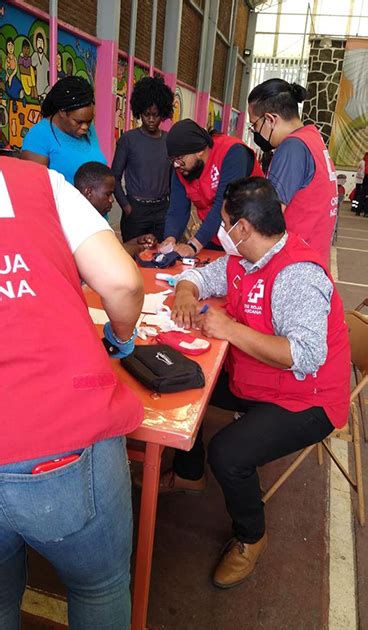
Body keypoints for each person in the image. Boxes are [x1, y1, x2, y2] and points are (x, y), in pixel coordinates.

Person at [155, 177, 350, 589]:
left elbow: (305, 355)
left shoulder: (297, 274)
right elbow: (200, 277)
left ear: (242, 229)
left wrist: (228, 328)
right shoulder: (244, 260)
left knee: (229, 454)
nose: (219, 231)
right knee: (189, 381)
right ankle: (190, 473)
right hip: (258, 378)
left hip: (307, 399)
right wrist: (187, 293)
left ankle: (250, 537)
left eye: (224, 224)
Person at [0, 155, 144, 629]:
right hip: (57, 438)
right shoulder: (34, 183)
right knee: (99, 585)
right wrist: (121, 339)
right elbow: (122, 281)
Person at [248, 78, 338, 266]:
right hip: (313, 257)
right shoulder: (313, 137)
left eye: (255, 125)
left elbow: (269, 214)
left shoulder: (292, 147)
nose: (255, 132)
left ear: (271, 119)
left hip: (294, 263)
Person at [159, 118, 263, 257]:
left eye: (179, 158)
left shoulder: (233, 153)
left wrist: (194, 245)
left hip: (249, 238)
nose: (176, 165)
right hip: (213, 236)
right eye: (172, 160)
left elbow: (225, 204)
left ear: (199, 150)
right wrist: (170, 239)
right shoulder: (182, 168)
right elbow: (177, 209)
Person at [111, 75, 174, 243]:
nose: (152, 120)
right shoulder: (128, 140)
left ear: (163, 113)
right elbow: (114, 177)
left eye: (156, 115)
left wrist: (171, 207)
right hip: (135, 211)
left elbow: (175, 179)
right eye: (147, 115)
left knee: (161, 257)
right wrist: (127, 207)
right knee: (133, 259)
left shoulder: (170, 140)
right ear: (140, 112)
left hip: (162, 211)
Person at [21, 76, 106, 183]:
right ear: (62, 112)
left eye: (89, 121)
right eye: (78, 122)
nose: (85, 127)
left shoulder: (90, 130)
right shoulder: (39, 136)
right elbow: (33, 185)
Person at [74, 161, 157, 255]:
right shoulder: (81, 222)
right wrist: (142, 247)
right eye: (108, 194)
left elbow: (113, 247)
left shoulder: (89, 216)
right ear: (89, 192)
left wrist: (137, 241)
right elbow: (115, 254)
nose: (111, 200)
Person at [352, 152, 368, 216]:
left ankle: (357, 210)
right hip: (364, 179)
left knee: (360, 195)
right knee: (365, 196)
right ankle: (365, 212)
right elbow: (362, 171)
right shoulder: (364, 162)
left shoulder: (362, 161)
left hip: (362, 179)